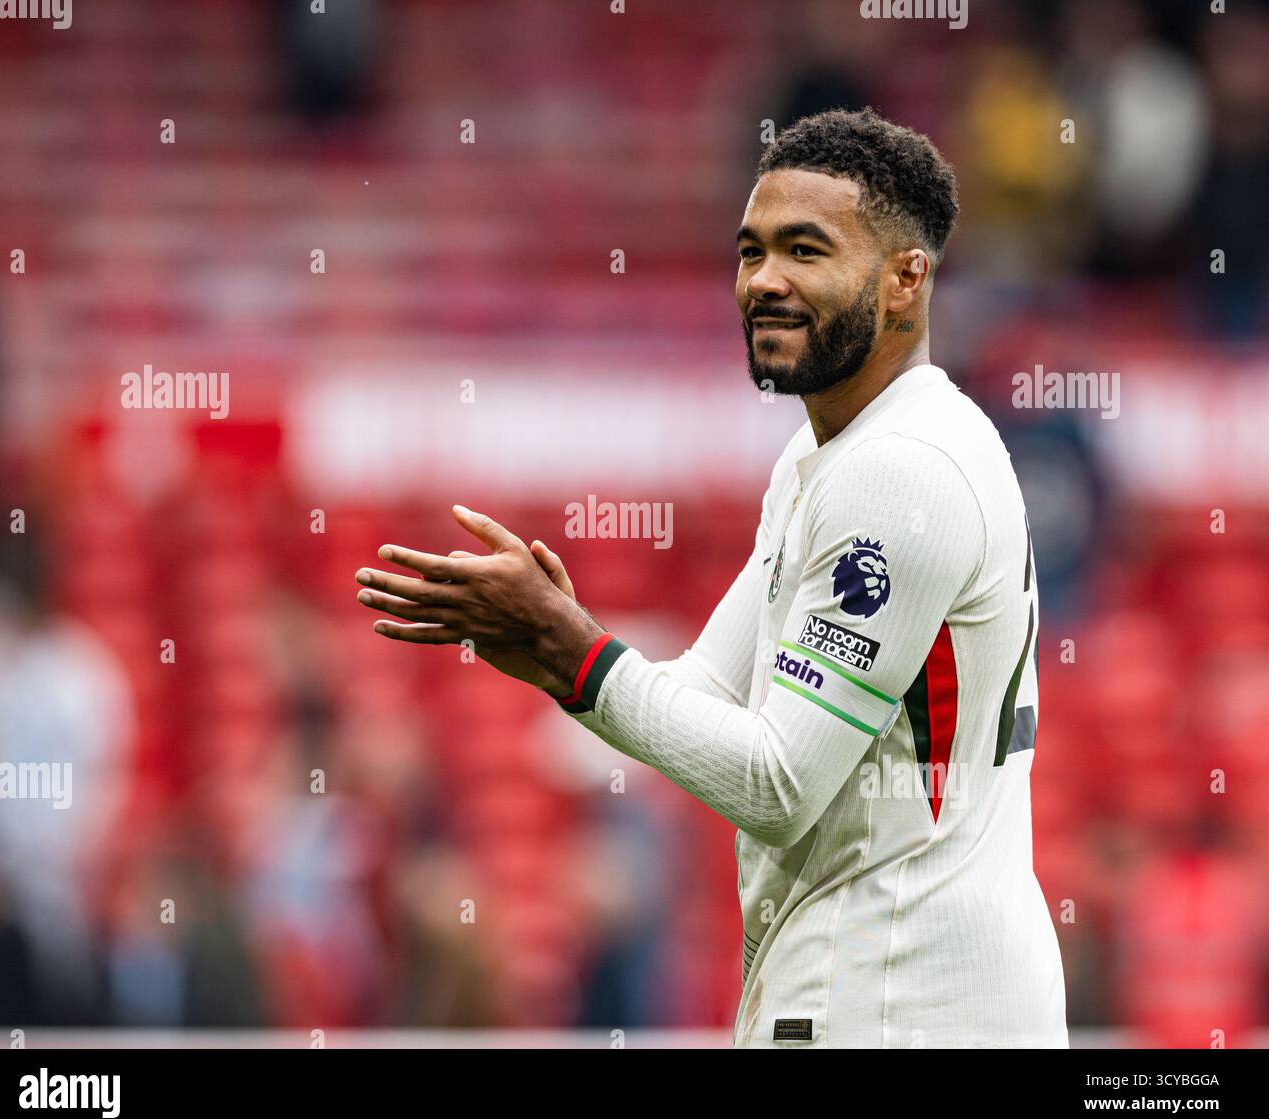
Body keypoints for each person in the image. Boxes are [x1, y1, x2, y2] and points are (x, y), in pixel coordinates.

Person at [354, 108, 1068, 1048]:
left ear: (906, 280)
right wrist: (551, 644)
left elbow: (777, 782)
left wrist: (576, 657)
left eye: (805, 251)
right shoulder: (835, 457)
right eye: (750, 251)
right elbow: (701, 690)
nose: (764, 281)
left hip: (901, 1002)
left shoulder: (900, 475)